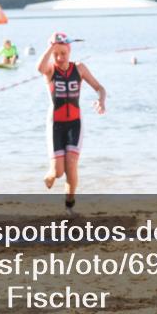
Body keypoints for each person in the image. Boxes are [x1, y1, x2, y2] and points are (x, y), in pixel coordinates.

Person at [37, 32, 106, 214]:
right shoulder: (50, 70)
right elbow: (39, 67)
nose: (59, 57)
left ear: (69, 51)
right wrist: (51, 46)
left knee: (72, 164)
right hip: (55, 125)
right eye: (56, 53)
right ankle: (50, 174)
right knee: (58, 173)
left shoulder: (80, 68)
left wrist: (101, 101)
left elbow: (100, 88)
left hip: (75, 124)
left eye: (63, 53)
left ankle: (69, 207)